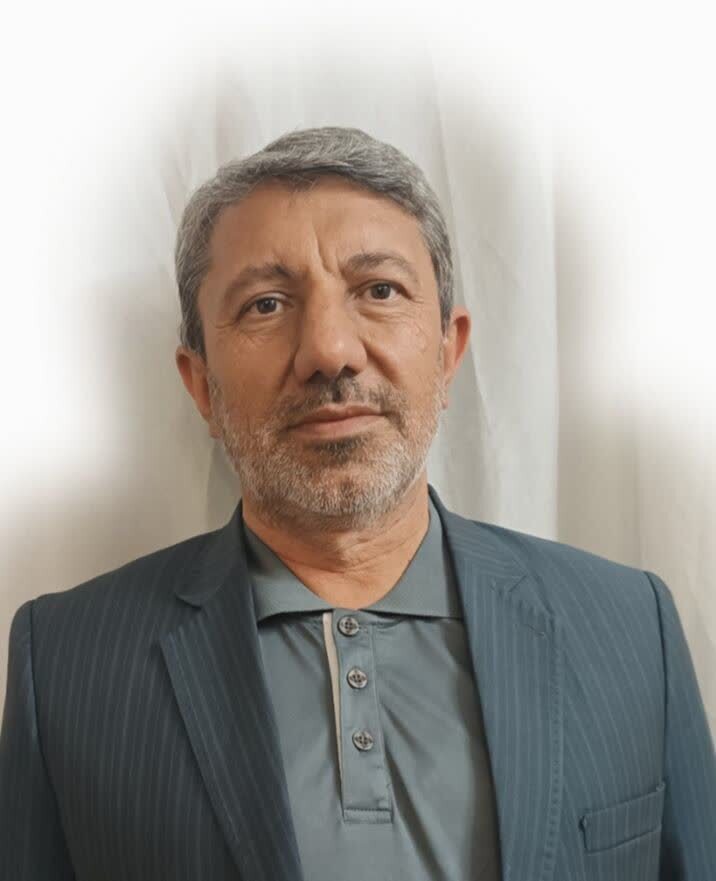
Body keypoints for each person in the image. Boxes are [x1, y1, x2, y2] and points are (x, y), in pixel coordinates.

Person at [1, 126, 714, 881]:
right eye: (266, 304)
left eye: (379, 290)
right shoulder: (67, 662)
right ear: (200, 383)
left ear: (448, 351)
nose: (330, 351)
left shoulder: (631, 629)